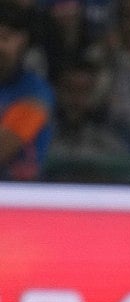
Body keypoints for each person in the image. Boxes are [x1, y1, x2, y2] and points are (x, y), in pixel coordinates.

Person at [0, 0, 54, 181]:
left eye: (4, 38)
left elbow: (3, 148)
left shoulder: (35, 93)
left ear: (22, 40)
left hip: (21, 195)